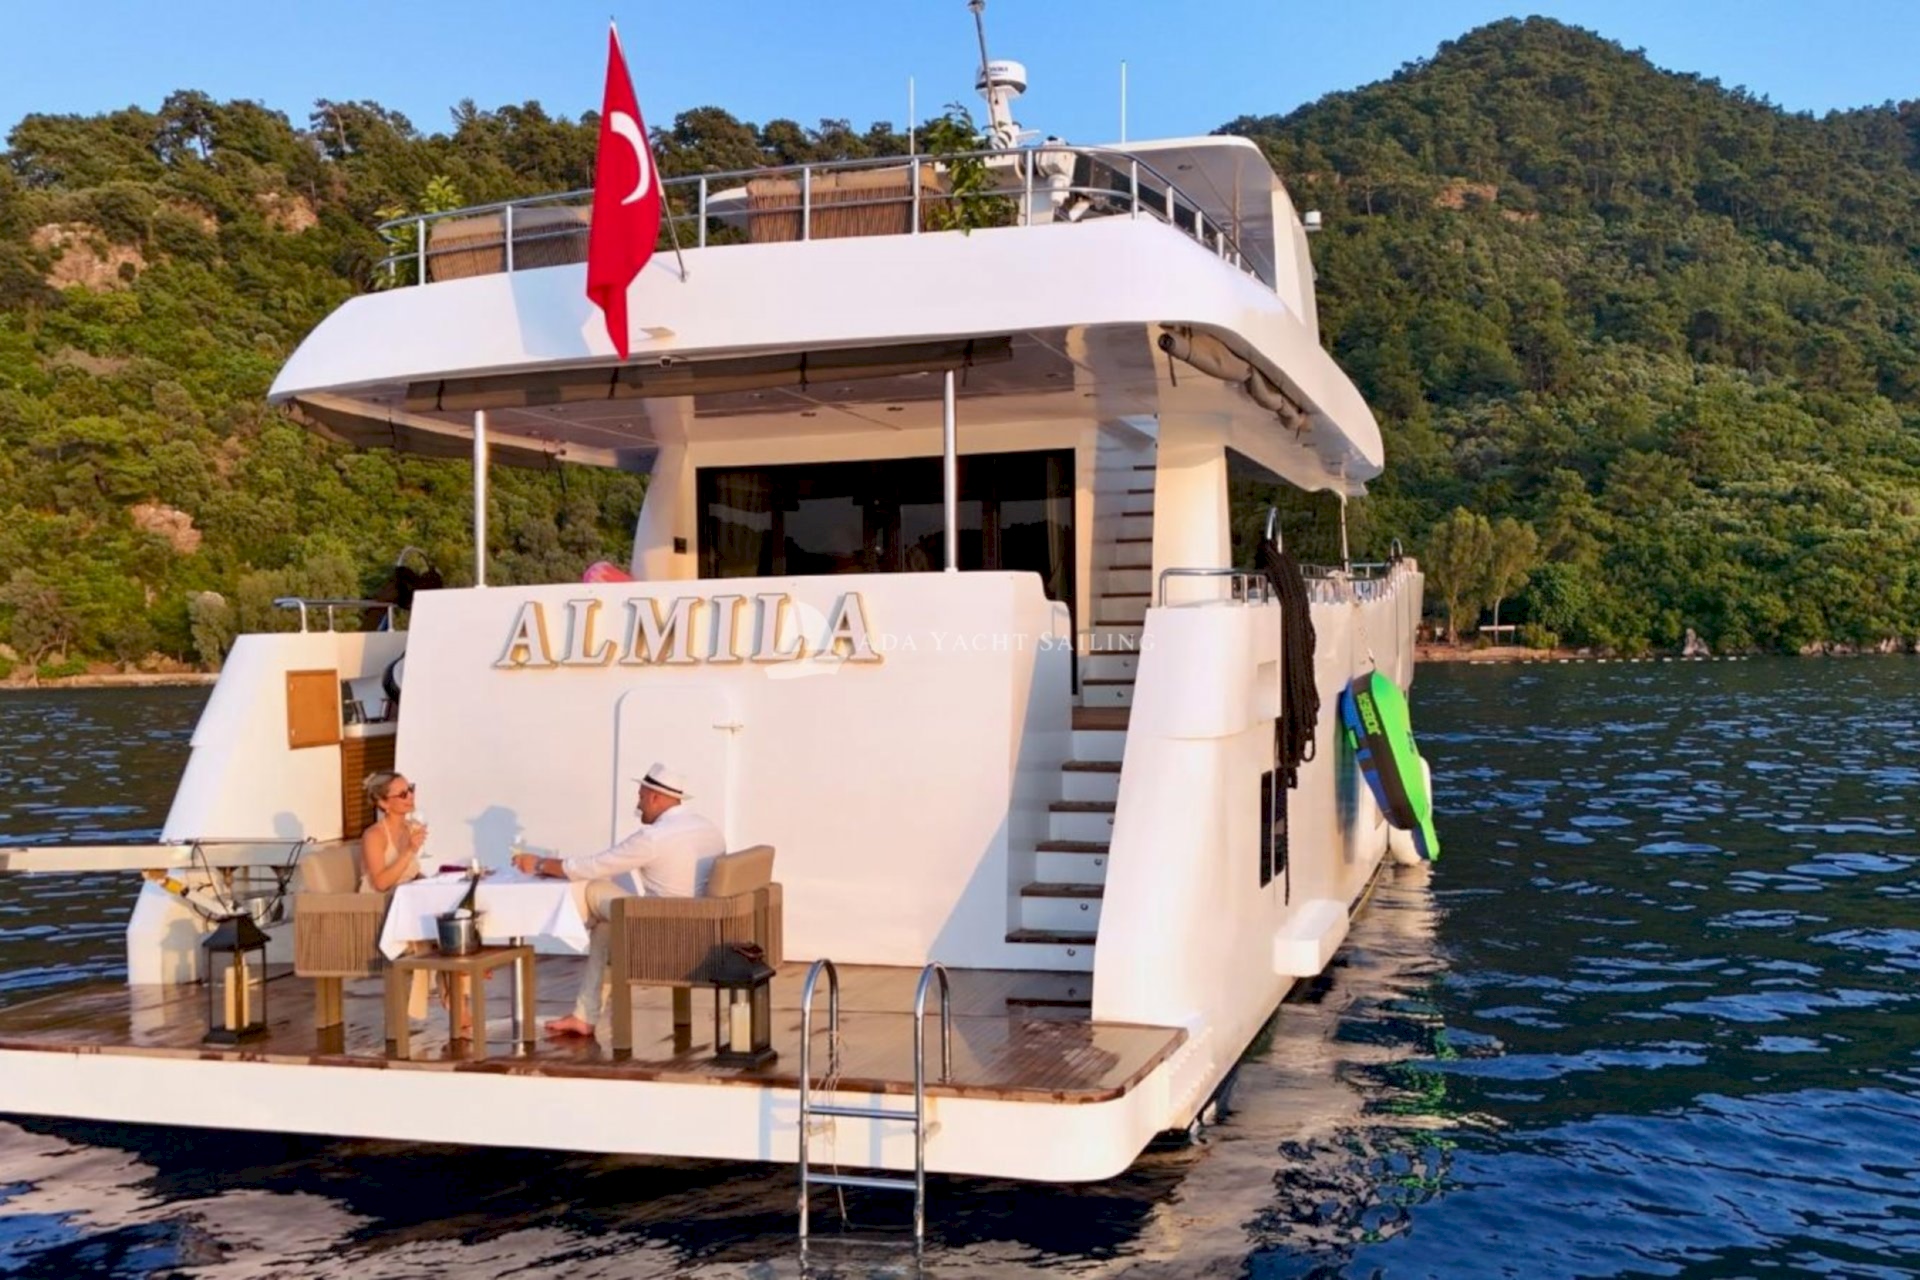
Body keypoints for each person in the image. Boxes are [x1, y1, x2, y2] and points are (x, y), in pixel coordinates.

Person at [513, 762, 724, 1038]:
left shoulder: (653, 837)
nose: (638, 805)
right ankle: (584, 1016)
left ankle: (570, 929)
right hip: (699, 930)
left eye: (640, 797)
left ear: (654, 797)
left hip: (665, 931)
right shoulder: (707, 828)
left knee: (591, 887)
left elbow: (591, 867)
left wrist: (540, 864)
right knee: (606, 926)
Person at [360, 771, 438, 1021]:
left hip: (407, 900)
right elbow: (381, 882)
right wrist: (410, 850)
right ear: (384, 803)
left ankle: (459, 991)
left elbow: (412, 874)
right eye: (402, 794)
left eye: (410, 789)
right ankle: (450, 994)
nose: (410, 796)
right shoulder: (374, 835)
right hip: (380, 906)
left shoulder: (411, 827)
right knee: (440, 933)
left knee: (455, 918)